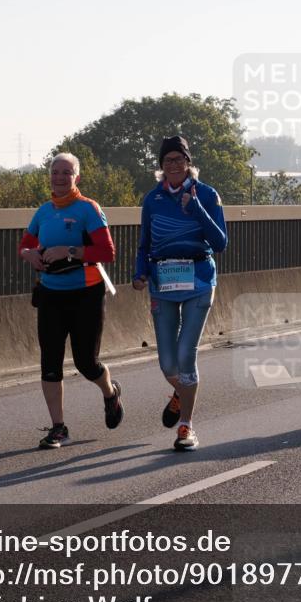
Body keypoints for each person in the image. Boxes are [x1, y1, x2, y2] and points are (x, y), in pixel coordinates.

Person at [18, 152, 124, 449]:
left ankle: (110, 393)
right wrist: (29, 255)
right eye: (55, 172)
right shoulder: (43, 212)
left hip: (86, 293)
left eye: (67, 172)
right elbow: (25, 245)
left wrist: (70, 250)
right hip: (51, 294)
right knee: (50, 364)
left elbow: (107, 252)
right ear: (49, 176)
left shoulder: (88, 209)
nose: (60, 177)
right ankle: (58, 428)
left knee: (87, 363)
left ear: (76, 177)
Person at [133, 136, 228, 451]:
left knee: (187, 354)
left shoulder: (208, 195)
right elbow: (144, 242)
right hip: (164, 283)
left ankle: (186, 426)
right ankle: (182, 391)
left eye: (179, 159)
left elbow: (220, 242)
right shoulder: (153, 199)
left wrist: (197, 208)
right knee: (168, 365)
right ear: (161, 166)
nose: (173, 165)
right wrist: (139, 272)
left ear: (188, 163)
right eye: (167, 160)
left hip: (199, 280)